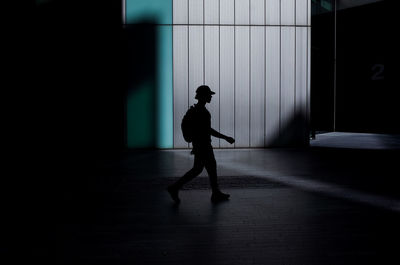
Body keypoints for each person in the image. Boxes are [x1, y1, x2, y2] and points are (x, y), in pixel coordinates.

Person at [167, 85, 235, 203]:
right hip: (203, 145)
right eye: (209, 95)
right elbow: (208, 130)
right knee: (204, 168)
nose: (211, 97)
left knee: (202, 168)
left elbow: (204, 129)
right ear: (203, 96)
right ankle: (175, 188)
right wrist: (225, 137)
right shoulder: (202, 112)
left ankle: (215, 192)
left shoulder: (196, 110)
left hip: (199, 144)